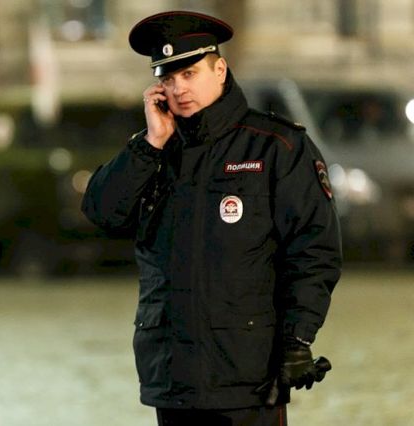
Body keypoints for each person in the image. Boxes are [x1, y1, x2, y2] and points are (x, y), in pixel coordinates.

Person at [81, 10, 342, 426]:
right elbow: (101, 212)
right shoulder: (152, 151)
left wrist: (297, 338)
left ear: (219, 70)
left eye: (190, 73)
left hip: (249, 373)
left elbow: (315, 249)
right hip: (172, 376)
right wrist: (150, 144)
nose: (179, 88)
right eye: (168, 78)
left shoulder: (276, 147)